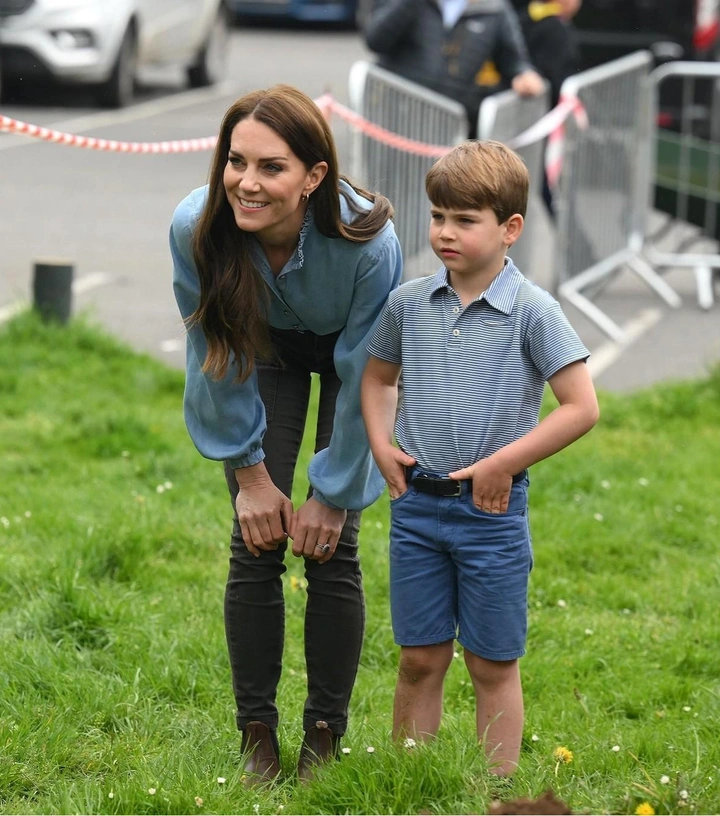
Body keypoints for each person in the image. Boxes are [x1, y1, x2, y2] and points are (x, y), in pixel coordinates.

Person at [169, 84, 403, 785]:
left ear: (314, 177)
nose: (247, 182)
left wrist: (334, 494)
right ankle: (257, 739)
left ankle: (324, 740)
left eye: (271, 167)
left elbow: (371, 375)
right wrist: (250, 475)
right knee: (256, 536)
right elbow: (214, 354)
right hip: (259, 348)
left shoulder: (368, 242)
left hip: (348, 358)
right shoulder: (196, 227)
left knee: (334, 546)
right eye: (236, 162)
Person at [360, 140, 599, 775]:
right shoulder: (408, 304)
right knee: (419, 657)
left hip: (491, 515)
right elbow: (379, 379)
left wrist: (502, 463)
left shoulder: (532, 312)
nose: (445, 232)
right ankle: (413, 781)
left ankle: (498, 791)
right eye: (438, 216)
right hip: (417, 511)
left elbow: (581, 406)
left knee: (491, 662)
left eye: (465, 220)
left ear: (510, 228)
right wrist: (382, 445)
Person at [364, 0, 546, 136]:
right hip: (395, 119)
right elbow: (375, 40)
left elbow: (513, 60)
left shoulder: (494, 8)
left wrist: (523, 74)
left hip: (452, 126)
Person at [512, 0, 583, 216]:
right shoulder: (554, 29)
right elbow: (557, 77)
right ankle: (575, 246)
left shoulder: (526, 16)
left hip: (526, 121)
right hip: (544, 125)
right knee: (549, 190)